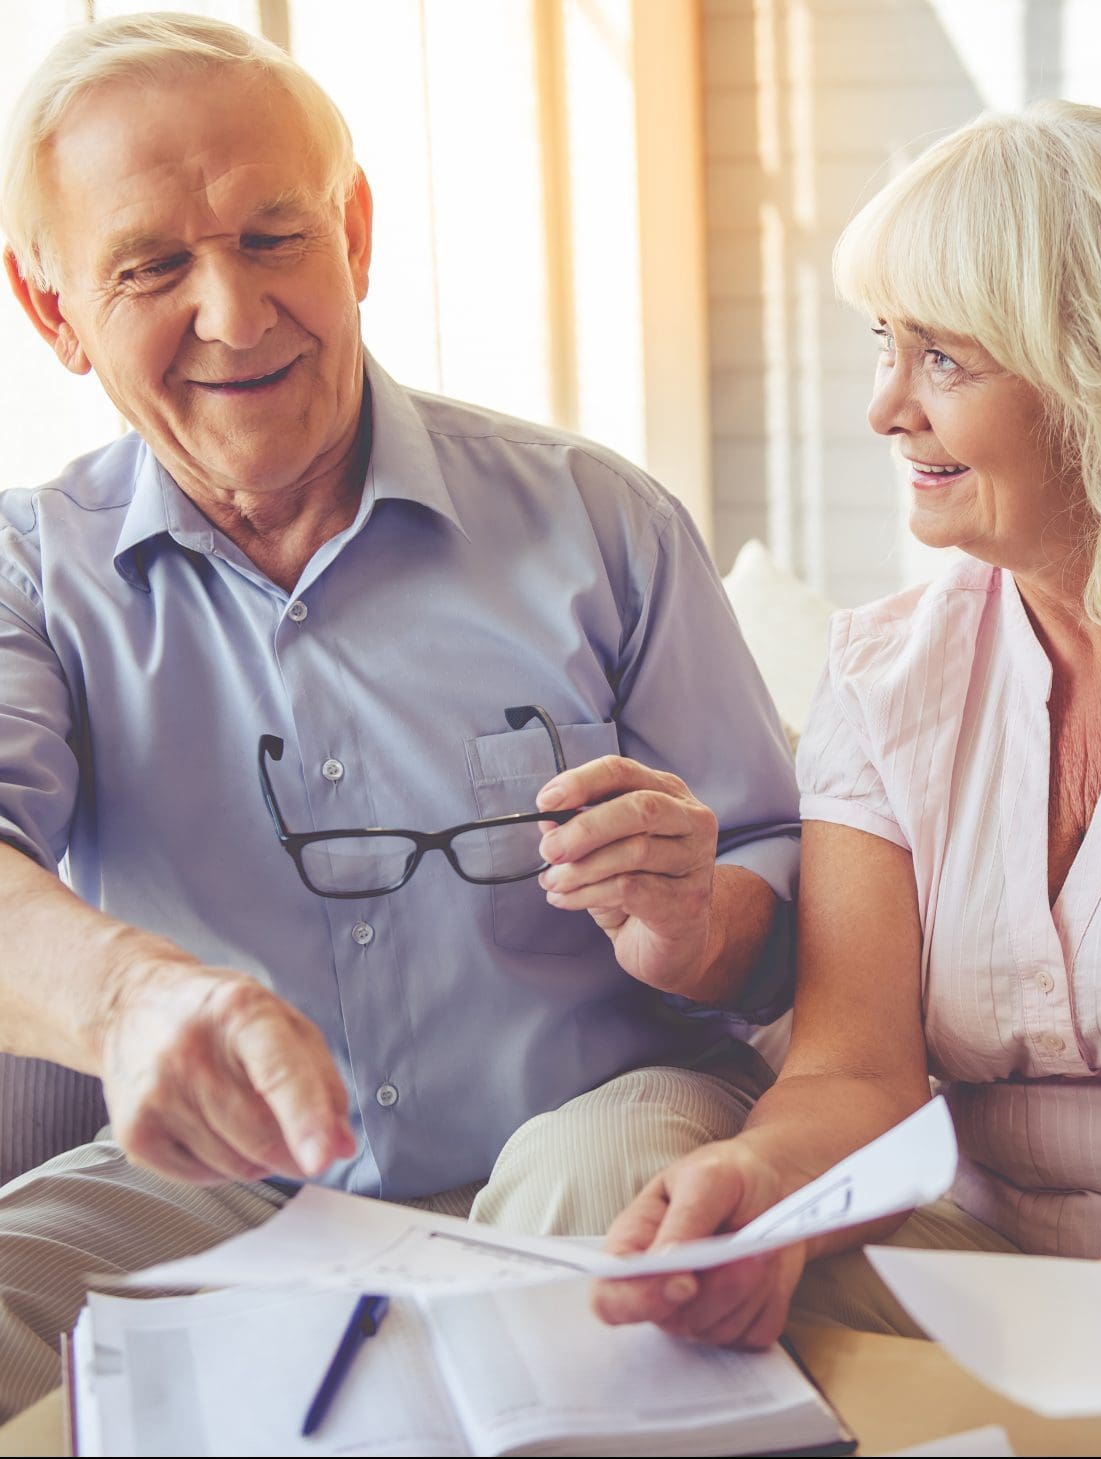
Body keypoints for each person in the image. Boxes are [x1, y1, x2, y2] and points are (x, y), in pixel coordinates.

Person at [0, 13, 799, 1416]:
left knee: (592, 1213)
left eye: (272, 236)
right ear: (52, 305)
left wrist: (699, 918)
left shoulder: (599, 522)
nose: (235, 315)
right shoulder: (31, 571)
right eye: (152, 266)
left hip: (589, 1127)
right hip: (221, 1192)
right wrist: (135, 1001)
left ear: (355, 233)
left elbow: (793, 901)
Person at [592, 100, 1101, 1349]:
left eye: (945, 360)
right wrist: (764, 1192)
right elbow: (852, 1074)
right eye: (884, 346)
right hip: (987, 1271)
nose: (885, 410)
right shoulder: (887, 675)